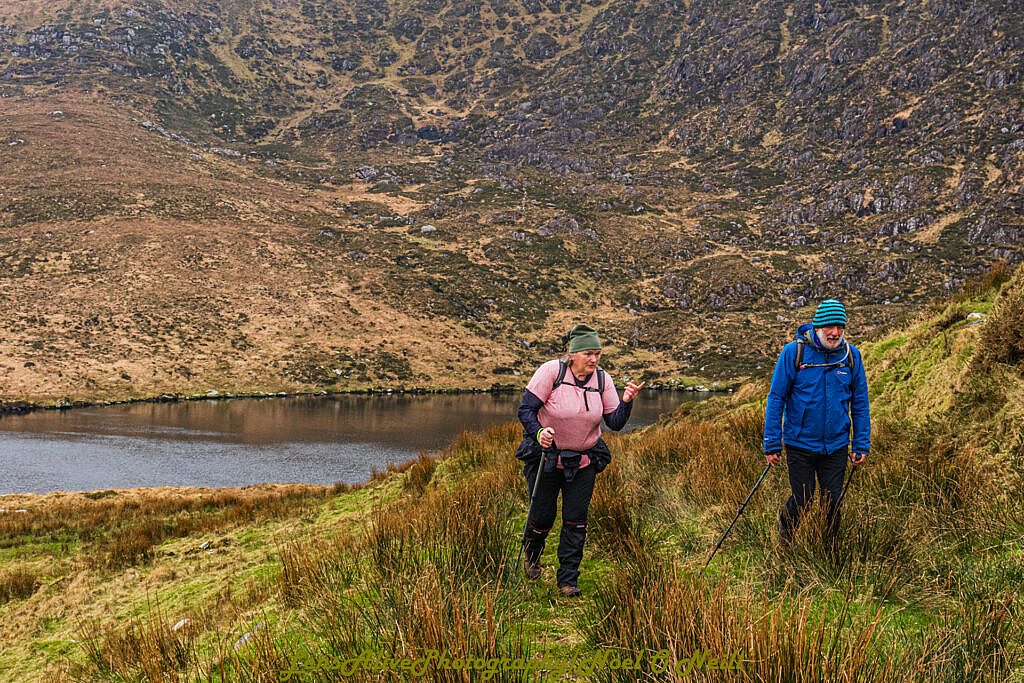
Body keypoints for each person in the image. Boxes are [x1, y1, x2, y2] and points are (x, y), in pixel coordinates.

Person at [516, 324, 645, 596]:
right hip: (546, 458)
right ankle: (532, 555)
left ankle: (568, 580)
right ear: (573, 354)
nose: (594, 359)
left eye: (597, 353)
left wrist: (627, 401)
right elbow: (526, 409)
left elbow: (615, 422)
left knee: (576, 520)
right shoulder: (551, 372)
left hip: (584, 462)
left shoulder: (602, 379)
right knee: (542, 516)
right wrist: (538, 432)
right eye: (588, 353)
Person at [763, 298, 870, 549]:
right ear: (818, 326)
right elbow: (776, 397)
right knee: (803, 499)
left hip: (836, 445)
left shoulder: (851, 356)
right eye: (829, 327)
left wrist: (861, 443)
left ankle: (829, 551)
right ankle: (785, 540)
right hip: (800, 443)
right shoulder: (794, 352)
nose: (835, 333)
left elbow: (861, 403)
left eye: (840, 327)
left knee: (833, 501)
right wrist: (771, 443)